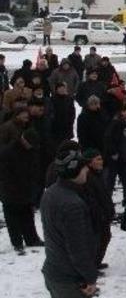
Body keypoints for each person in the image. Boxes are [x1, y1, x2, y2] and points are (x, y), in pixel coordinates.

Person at [41, 149, 99, 298]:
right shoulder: (72, 205)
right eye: (84, 167)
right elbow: (77, 247)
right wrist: (90, 277)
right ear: (75, 171)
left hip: (54, 270)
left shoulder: (50, 192)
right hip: (69, 280)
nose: (87, 169)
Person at [0, 105, 42, 254]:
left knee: (27, 214)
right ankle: (17, 242)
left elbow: (33, 167)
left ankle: (32, 238)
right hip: (10, 188)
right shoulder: (8, 151)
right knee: (12, 216)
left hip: (24, 186)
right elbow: (4, 172)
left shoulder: (31, 150)